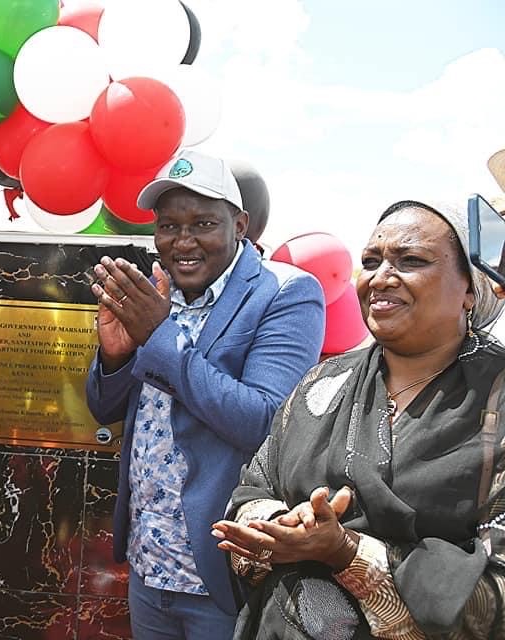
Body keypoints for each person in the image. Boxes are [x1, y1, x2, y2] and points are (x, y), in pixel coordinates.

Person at [214, 200, 505, 639]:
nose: (381, 276)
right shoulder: (321, 383)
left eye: (411, 260)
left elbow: (495, 596)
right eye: (371, 261)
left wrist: (348, 553)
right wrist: (279, 527)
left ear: (470, 288)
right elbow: (253, 487)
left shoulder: (496, 401)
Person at [85, 150, 326, 639]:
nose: (184, 241)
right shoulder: (156, 291)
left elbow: (263, 421)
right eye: (169, 225)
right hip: (149, 564)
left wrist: (159, 338)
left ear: (240, 225)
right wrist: (115, 358)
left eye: (203, 223)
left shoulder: (286, 293)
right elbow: (104, 408)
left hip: (220, 573)